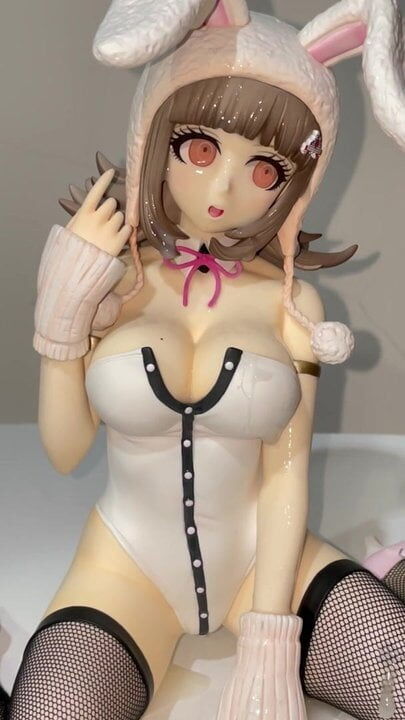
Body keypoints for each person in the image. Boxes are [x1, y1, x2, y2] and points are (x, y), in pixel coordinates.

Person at [2, 0, 404, 718]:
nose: (223, 190)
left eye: (264, 170)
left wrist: (271, 636)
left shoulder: (294, 306)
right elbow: (65, 452)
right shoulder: (111, 285)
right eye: (200, 149)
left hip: (267, 566)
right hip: (125, 574)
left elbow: (285, 476)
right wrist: (58, 329)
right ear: (153, 134)